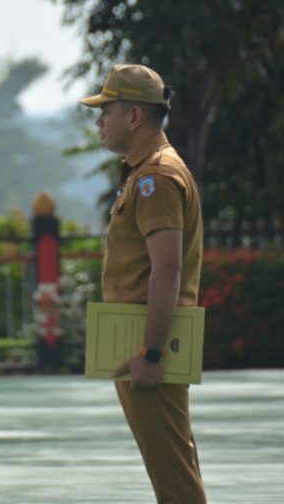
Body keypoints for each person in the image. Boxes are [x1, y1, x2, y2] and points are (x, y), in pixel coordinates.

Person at [80, 64, 207, 503]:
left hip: (149, 344)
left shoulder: (157, 178)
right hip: (138, 339)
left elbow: (166, 269)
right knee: (172, 467)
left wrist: (151, 354)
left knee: (174, 477)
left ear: (134, 116)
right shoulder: (145, 173)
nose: (99, 121)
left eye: (107, 111)